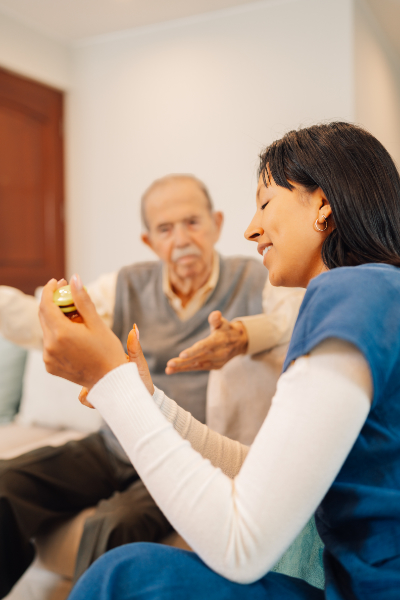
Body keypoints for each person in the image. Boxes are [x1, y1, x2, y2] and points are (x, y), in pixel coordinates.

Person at [38, 122, 400, 600]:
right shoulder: (380, 292)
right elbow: (269, 473)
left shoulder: (349, 293)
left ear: (324, 204)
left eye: (266, 203)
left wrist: (110, 381)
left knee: (124, 575)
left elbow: (240, 547)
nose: (252, 228)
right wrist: (150, 400)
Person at [0, 174, 305, 598]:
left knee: (112, 524)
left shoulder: (256, 277)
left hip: (180, 451)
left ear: (216, 224)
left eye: (192, 222)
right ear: (149, 241)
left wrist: (243, 335)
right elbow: (41, 318)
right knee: (6, 482)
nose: (181, 239)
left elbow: (293, 318)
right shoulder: (126, 284)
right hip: (114, 443)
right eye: (165, 229)